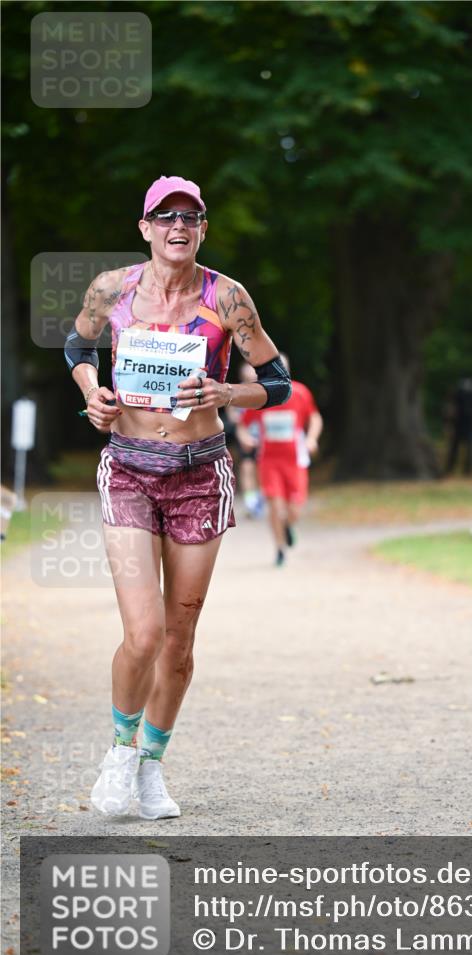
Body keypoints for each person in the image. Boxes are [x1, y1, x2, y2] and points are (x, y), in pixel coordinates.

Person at [64, 175, 291, 819]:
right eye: (165, 217)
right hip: (130, 468)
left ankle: (152, 768)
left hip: (199, 472)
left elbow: (277, 381)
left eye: (190, 217)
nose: (178, 227)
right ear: (145, 228)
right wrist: (92, 393)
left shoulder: (229, 297)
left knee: (179, 642)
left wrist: (226, 395)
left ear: (203, 228)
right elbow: (78, 346)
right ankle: (118, 752)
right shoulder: (112, 291)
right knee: (143, 634)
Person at [238, 354, 322, 566]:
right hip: (269, 461)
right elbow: (242, 425)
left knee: (295, 509)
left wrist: (311, 438)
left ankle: (287, 526)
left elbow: (314, 417)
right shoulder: (262, 396)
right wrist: (246, 438)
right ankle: (279, 549)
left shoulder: (300, 392)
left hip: (294, 460)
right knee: (275, 506)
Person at [224, 362, 264, 518]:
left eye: (253, 376)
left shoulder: (262, 390)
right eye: (248, 376)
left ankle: (261, 498)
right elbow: (231, 411)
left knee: (261, 469)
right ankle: (251, 501)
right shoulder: (236, 391)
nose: (251, 378)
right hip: (244, 434)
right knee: (247, 466)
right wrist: (239, 424)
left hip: (263, 437)